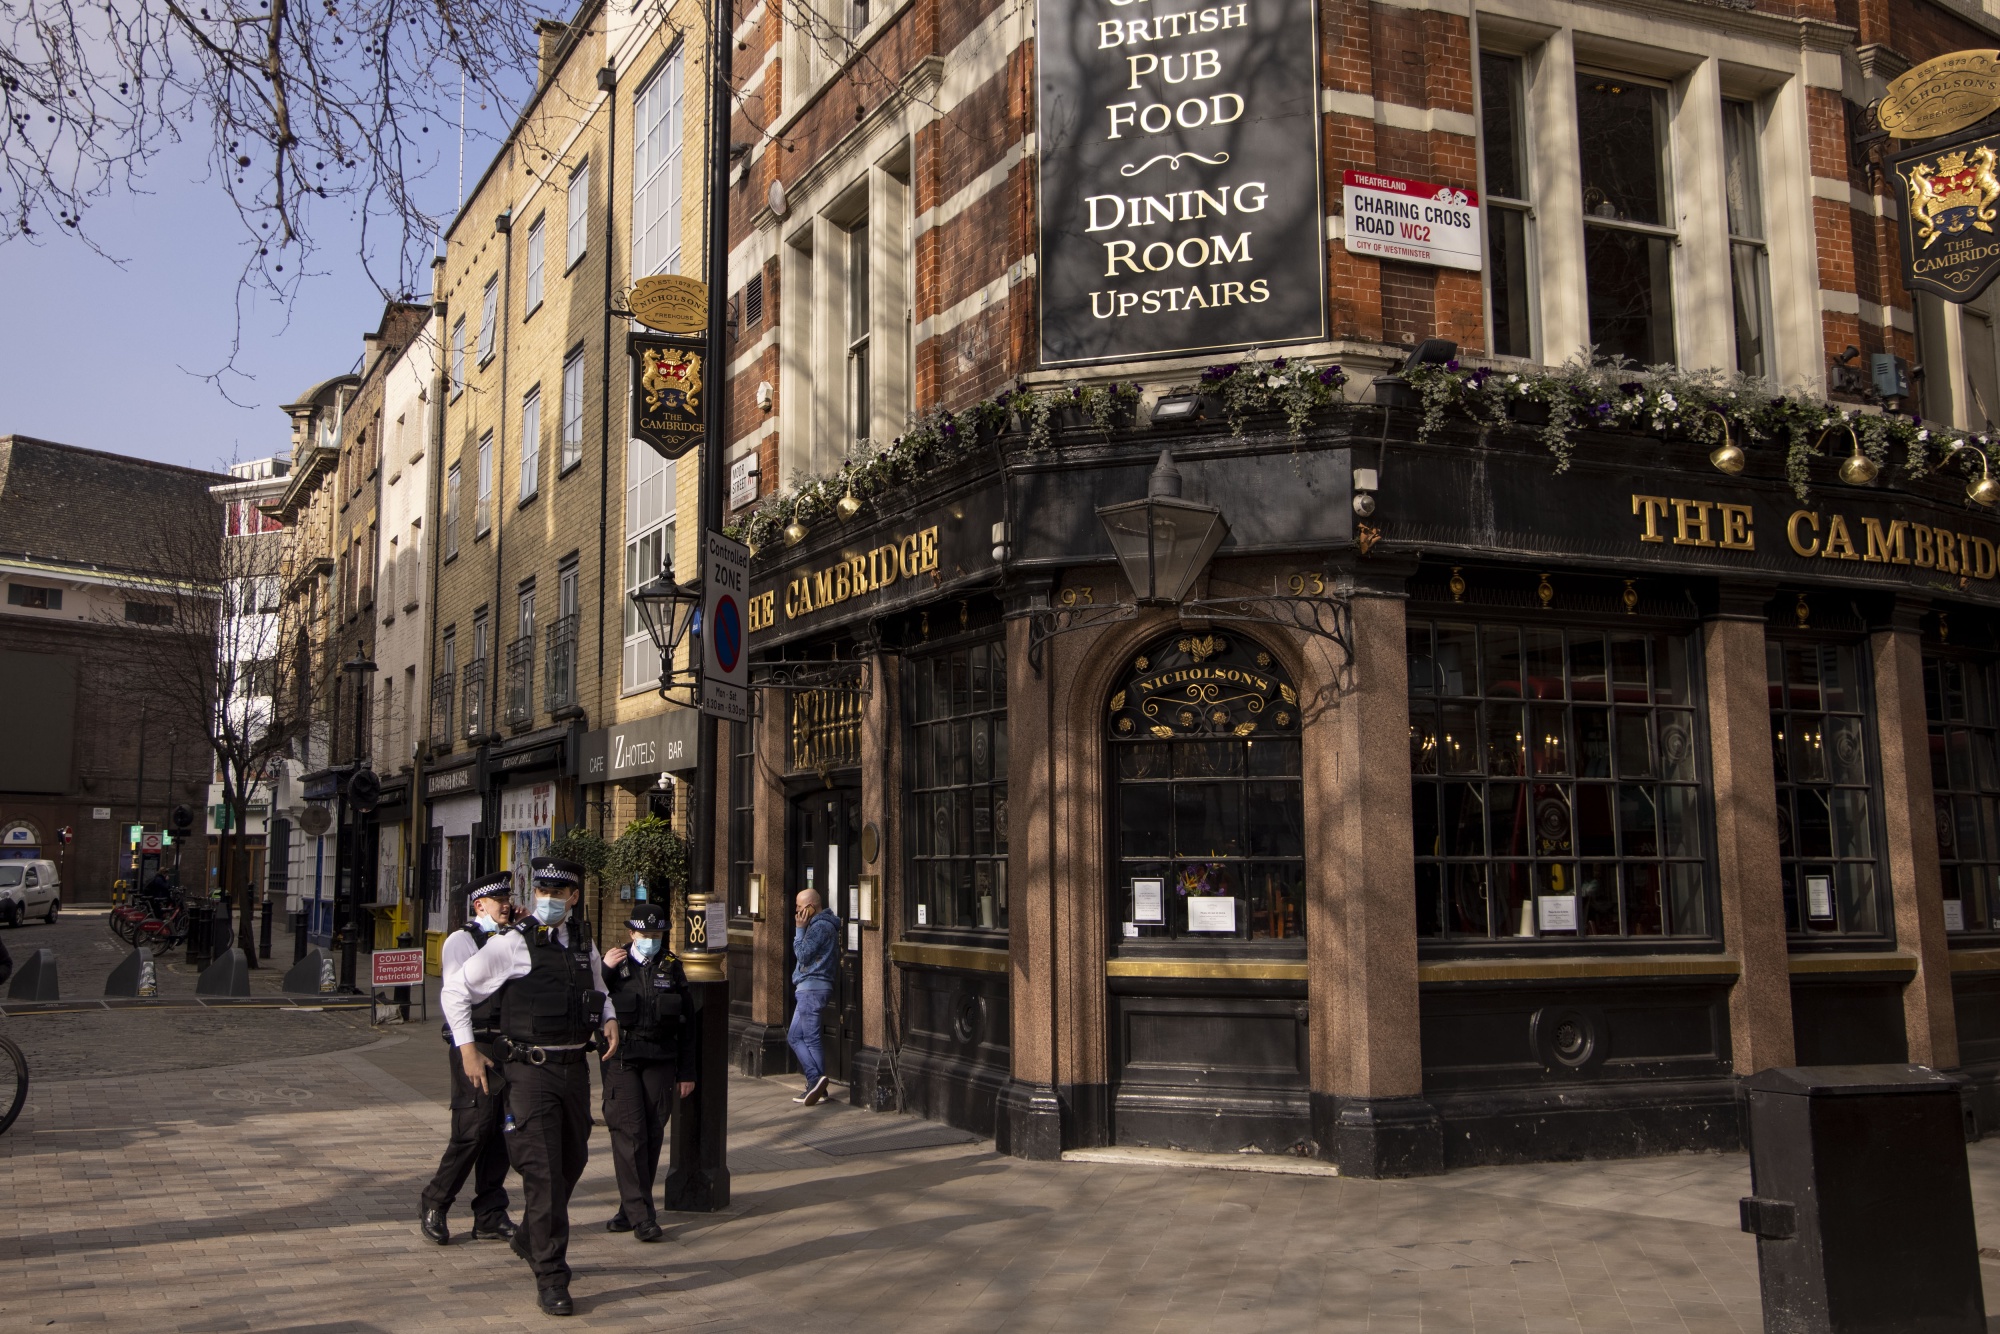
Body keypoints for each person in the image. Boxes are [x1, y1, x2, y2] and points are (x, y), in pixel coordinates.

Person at [442, 856, 619, 1318]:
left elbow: (597, 982)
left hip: (574, 1071)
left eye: (557, 894)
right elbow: (456, 990)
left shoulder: (581, 939)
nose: (547, 901)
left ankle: (528, 1237)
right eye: (541, 892)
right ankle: (552, 1275)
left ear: (573, 898)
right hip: (529, 1072)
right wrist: (466, 1050)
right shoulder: (513, 943)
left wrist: (610, 1017)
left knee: (572, 1161)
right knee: (542, 1174)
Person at [419, 872, 519, 1247]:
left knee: (502, 1132)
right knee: (472, 1129)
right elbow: (459, 995)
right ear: (480, 905)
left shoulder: (514, 936)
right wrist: (468, 1052)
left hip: (510, 1044)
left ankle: (490, 1213)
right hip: (475, 1044)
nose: (506, 904)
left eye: (508, 898)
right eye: (499, 900)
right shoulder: (461, 941)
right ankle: (436, 1201)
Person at [599, 905, 696, 1242]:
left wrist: (687, 1071)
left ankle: (630, 1209)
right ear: (631, 935)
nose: (650, 941)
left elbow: (688, 1025)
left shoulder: (672, 967)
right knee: (630, 1134)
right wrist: (603, 972)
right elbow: (592, 1002)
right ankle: (643, 1216)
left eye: (656, 935)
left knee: (652, 1134)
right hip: (622, 1058)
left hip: (661, 1058)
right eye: (644, 935)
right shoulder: (614, 964)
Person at [787, 888, 839, 1106]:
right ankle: (819, 1088)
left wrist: (799, 930)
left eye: (799, 907)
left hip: (811, 989)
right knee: (797, 1037)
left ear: (810, 907)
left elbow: (802, 954)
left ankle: (814, 1080)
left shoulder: (818, 927)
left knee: (806, 1037)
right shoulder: (823, 925)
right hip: (811, 988)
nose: (797, 911)